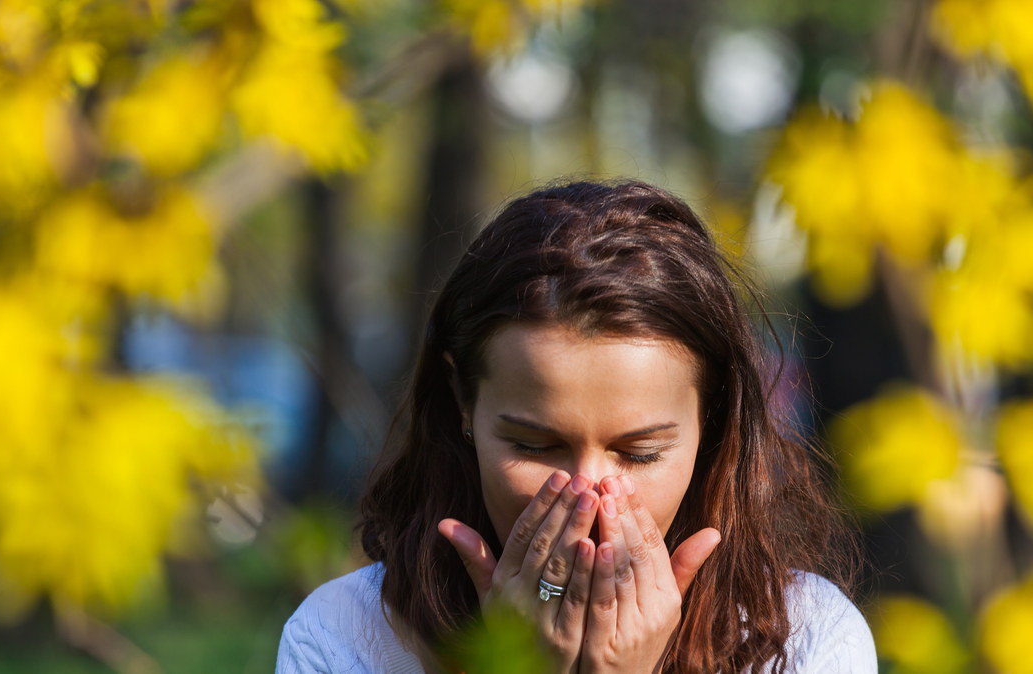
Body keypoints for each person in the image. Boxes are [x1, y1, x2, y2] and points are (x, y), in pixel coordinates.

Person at [276, 180, 876, 673]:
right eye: (534, 445)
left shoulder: (806, 642)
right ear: (463, 403)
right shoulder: (345, 638)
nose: (589, 496)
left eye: (640, 453)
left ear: (710, 423)